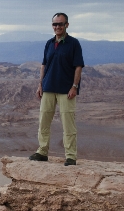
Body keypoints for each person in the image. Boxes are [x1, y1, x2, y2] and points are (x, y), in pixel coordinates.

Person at [29, 13, 84, 166]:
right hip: (48, 88)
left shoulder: (73, 43)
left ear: (67, 25)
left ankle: (71, 156)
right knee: (44, 122)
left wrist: (74, 86)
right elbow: (44, 65)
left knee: (68, 124)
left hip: (66, 90)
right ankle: (42, 151)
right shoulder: (49, 43)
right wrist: (41, 84)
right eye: (54, 24)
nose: (57, 27)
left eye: (60, 24)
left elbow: (78, 66)